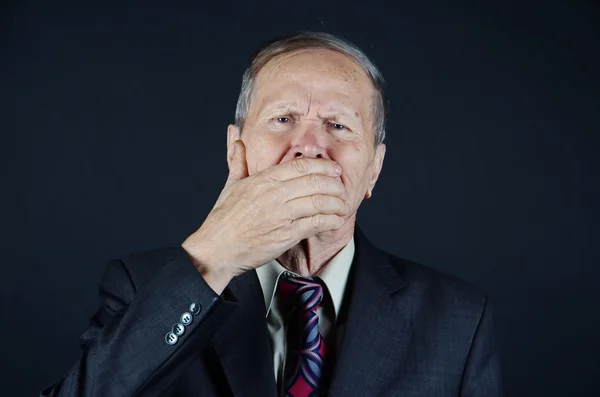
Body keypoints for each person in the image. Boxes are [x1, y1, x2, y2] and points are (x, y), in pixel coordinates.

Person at [41, 32, 503, 397]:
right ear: (234, 150)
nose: (308, 146)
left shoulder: (457, 318)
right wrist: (212, 257)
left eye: (338, 125)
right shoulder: (140, 286)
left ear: (373, 171)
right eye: (282, 119)